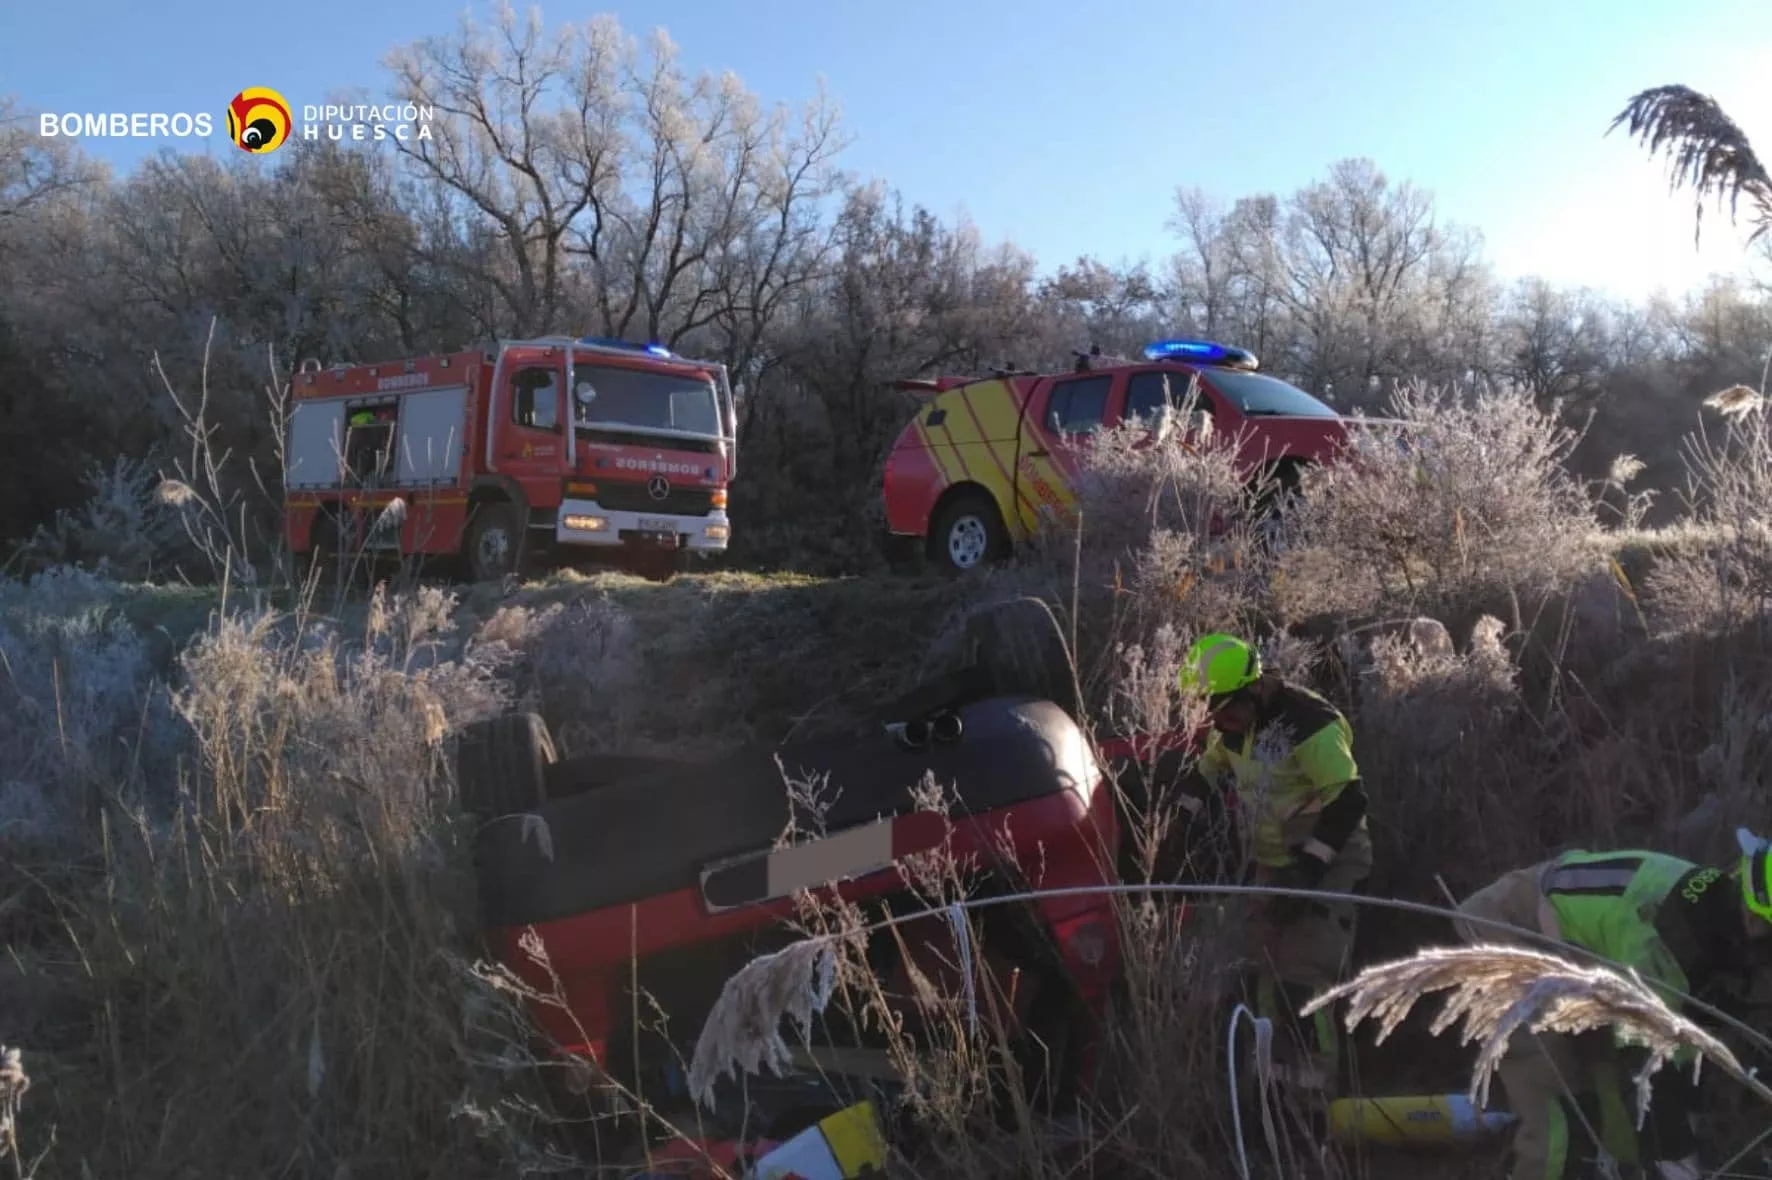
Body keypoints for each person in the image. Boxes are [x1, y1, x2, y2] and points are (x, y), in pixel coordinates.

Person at [1453, 836, 1772, 1180]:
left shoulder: (1721, 921)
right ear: (1755, 920)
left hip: (1590, 965)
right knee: (1562, 1122)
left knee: (1618, 1133)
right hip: (1512, 930)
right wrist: (1677, 1159)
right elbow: (1644, 1066)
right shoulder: (1665, 940)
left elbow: (1683, 1048)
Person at [1176, 632, 1372, 1092]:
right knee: (1263, 960)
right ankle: (1267, 1076)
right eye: (1210, 713)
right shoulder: (1233, 728)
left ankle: (1314, 1087)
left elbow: (1348, 800)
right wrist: (1180, 818)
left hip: (1328, 861)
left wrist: (1307, 870)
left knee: (1305, 969)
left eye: (1223, 710)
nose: (1218, 723)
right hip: (1272, 862)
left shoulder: (1311, 725)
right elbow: (1209, 768)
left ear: (1253, 689)